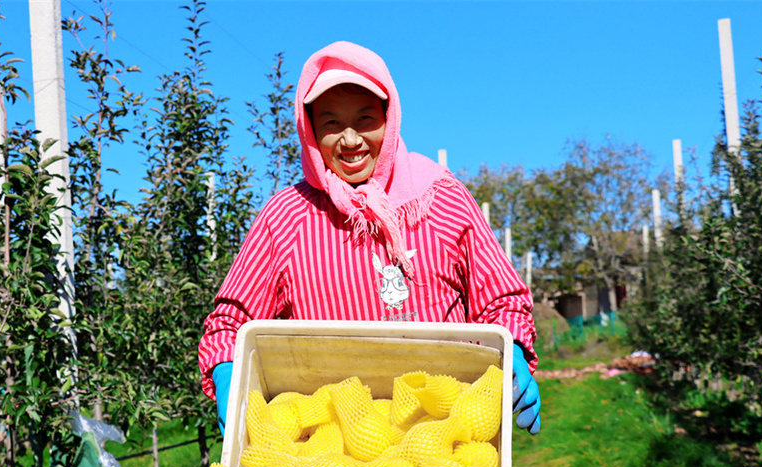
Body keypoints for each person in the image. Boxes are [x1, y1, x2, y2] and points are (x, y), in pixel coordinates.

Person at [198, 41, 541, 436]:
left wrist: (511, 346)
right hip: (331, 453)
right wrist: (228, 371)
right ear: (310, 131)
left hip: (445, 439)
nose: (349, 140)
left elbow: (501, 300)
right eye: (330, 123)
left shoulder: (441, 197)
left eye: (364, 119)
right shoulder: (286, 217)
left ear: (388, 117)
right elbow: (230, 322)